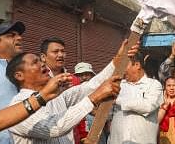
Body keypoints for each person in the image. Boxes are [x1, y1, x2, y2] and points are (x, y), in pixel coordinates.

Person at [7, 40, 138, 144]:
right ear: (19, 76)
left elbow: (91, 86)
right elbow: (56, 127)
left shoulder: (56, 97)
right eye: (35, 62)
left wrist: (117, 59)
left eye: (40, 61)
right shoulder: (17, 108)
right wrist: (94, 98)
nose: (42, 64)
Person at [108, 52, 163, 144]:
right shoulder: (118, 85)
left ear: (137, 65)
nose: (122, 69)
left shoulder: (154, 85)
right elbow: (108, 115)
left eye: (125, 65)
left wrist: (118, 101)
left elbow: (148, 106)